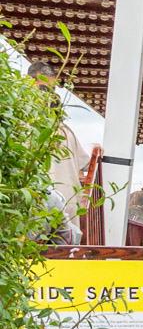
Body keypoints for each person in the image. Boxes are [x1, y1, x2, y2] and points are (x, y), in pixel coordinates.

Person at [28, 61, 100, 231]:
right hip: (66, 209)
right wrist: (93, 147)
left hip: (34, 208)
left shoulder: (21, 129)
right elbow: (85, 160)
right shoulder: (65, 132)